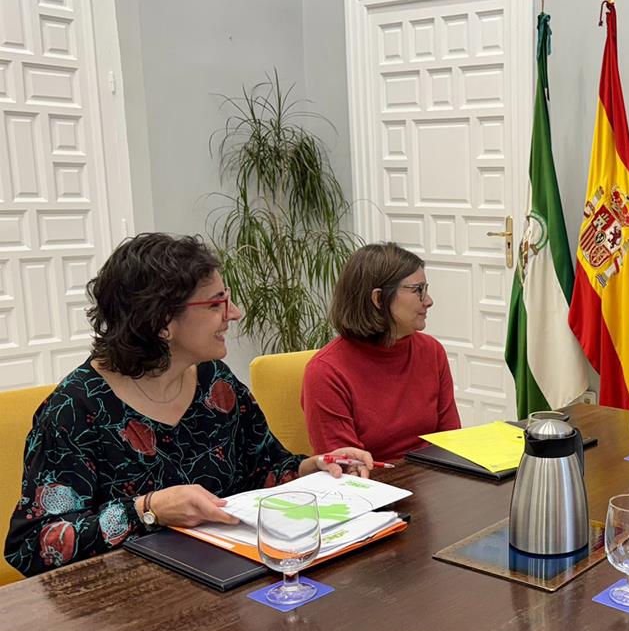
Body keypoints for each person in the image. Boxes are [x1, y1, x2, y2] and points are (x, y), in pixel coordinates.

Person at [4, 233, 373, 577]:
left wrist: (314, 466)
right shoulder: (75, 409)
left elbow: (263, 469)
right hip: (125, 614)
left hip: (228, 579)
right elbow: (35, 546)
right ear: (162, 322)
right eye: (217, 304)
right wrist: (147, 510)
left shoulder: (215, 382)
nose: (235, 313)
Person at [302, 243, 460, 462]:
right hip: (373, 490)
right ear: (378, 299)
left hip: (432, 482)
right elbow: (347, 469)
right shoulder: (325, 372)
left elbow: (452, 441)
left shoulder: (432, 351)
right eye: (418, 290)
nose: (428, 301)